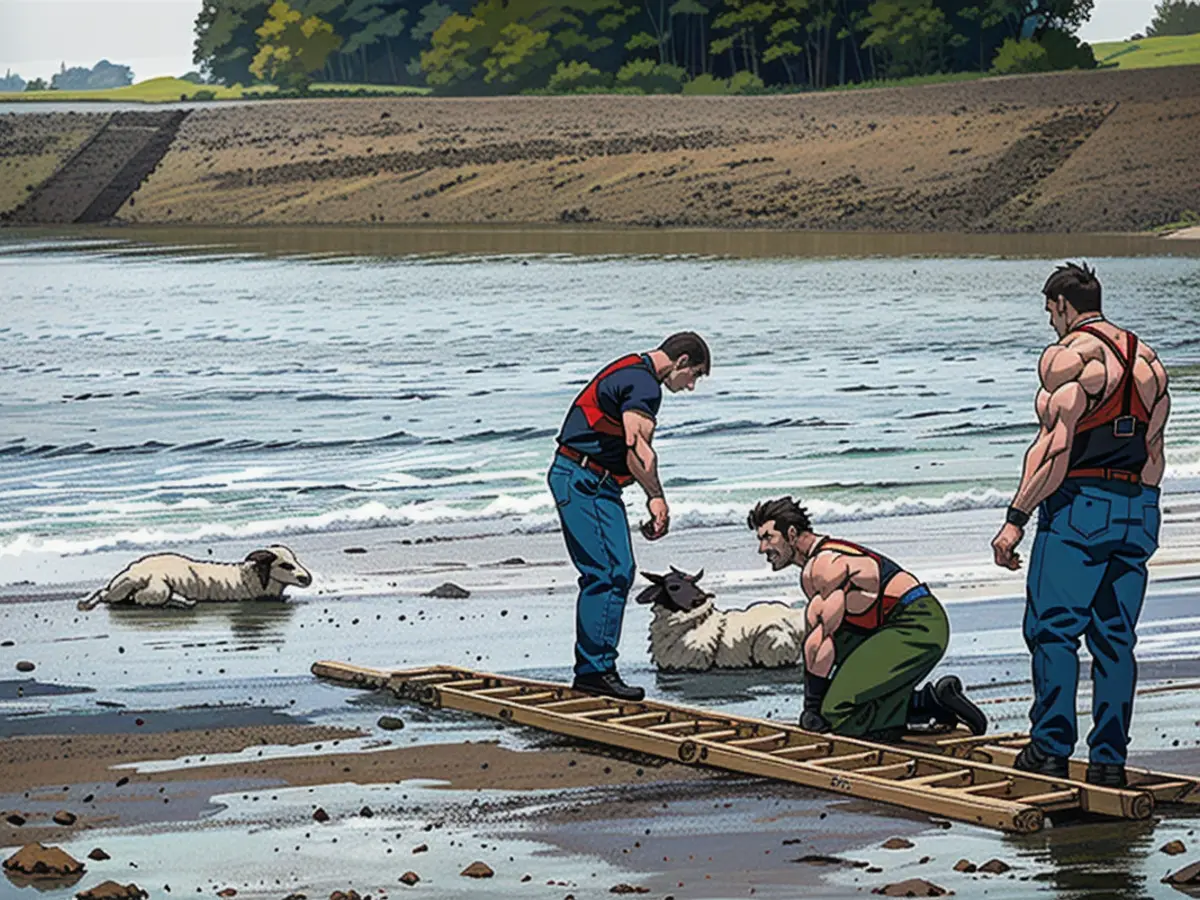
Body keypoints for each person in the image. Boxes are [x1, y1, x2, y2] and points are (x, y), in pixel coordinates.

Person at [991, 262, 1170, 787]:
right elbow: (1154, 451)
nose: (1051, 323)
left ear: (1064, 306)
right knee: (1116, 639)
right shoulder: (1149, 363)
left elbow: (1055, 448)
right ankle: (1109, 761)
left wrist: (1014, 519)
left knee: (1052, 630)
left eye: (1051, 312)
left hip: (1080, 507)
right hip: (1138, 505)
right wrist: (1144, 508)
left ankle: (1049, 749)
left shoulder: (1069, 358)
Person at [549, 332, 711, 701]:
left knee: (614, 571)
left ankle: (595, 669)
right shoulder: (643, 385)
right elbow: (637, 446)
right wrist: (656, 498)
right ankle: (595, 672)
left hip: (594, 481)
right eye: (695, 375)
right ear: (681, 361)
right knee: (608, 572)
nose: (691, 387)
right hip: (583, 480)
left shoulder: (633, 369)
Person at [749, 496, 987, 741]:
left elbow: (822, 636)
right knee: (837, 703)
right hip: (884, 627)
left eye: (768, 538)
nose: (762, 549)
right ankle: (931, 702)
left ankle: (928, 703)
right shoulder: (816, 566)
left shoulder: (825, 565)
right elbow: (822, 640)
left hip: (918, 624)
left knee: (838, 712)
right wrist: (813, 709)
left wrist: (813, 709)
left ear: (790, 533)